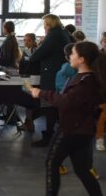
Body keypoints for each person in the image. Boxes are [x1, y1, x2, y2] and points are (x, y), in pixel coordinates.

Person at [25, 41, 106, 196]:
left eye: (73, 54)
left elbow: (67, 101)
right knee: (82, 170)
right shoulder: (86, 78)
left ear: (81, 59)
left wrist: (41, 93)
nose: (70, 57)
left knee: (52, 162)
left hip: (71, 130)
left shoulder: (86, 81)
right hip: (82, 130)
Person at [27, 15, 72, 147]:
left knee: (49, 106)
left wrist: (39, 46)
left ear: (50, 24)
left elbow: (37, 54)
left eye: (45, 24)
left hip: (52, 74)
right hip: (59, 72)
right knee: (54, 106)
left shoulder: (53, 35)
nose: (44, 27)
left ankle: (49, 137)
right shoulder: (63, 33)